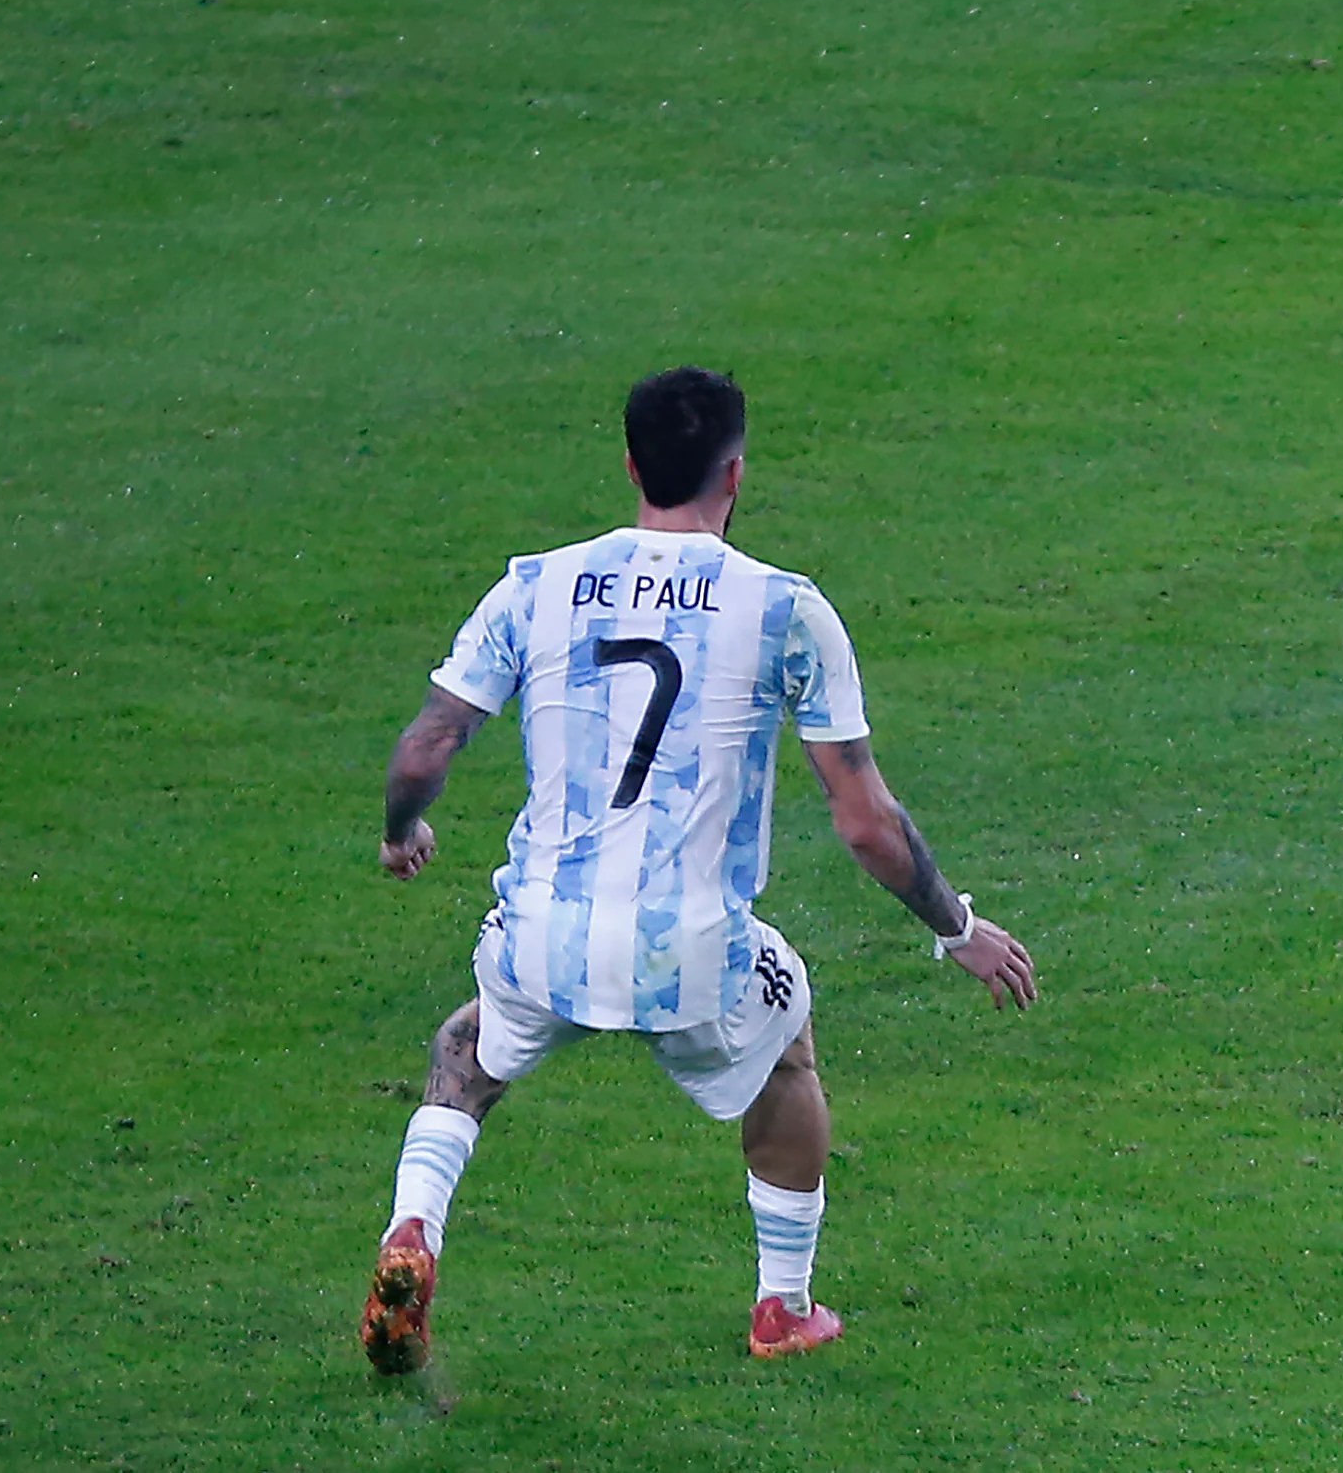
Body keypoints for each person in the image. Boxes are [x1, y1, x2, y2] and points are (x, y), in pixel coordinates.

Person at [358, 366, 1039, 1372]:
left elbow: (425, 748)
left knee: (467, 1052)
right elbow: (867, 825)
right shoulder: (784, 610)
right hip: (691, 951)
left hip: (543, 930)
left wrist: (401, 831)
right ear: (737, 472)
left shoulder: (535, 585)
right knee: (787, 1053)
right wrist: (958, 929)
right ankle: (783, 1308)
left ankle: (412, 1230)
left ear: (631, 465)